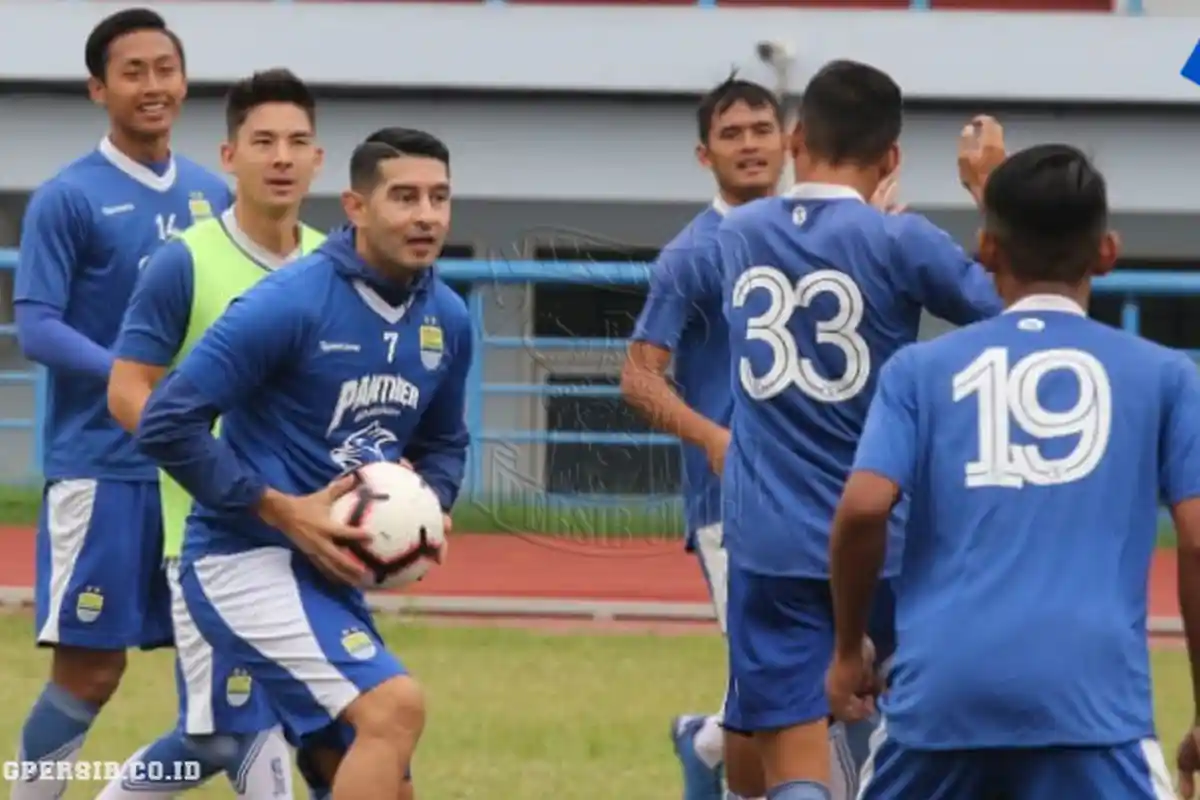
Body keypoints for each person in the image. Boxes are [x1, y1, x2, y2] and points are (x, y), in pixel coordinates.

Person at [826, 144, 1190, 799]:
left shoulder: (919, 371)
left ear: (986, 251)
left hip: (939, 698)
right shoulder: (1165, 376)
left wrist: (849, 647)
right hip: (1092, 706)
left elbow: (862, 508)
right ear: (1107, 252)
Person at [132, 127, 470, 800]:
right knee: (393, 710)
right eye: (404, 197)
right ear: (356, 206)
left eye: (439, 197)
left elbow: (445, 442)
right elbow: (167, 422)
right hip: (242, 560)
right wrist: (281, 509)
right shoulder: (288, 302)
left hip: (326, 572)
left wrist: (425, 510)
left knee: (371, 770)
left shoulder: (449, 317)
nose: (426, 214)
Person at [717, 59, 1007, 800]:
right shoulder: (900, 240)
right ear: (893, 158)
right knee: (919, 739)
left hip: (769, 540)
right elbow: (1015, 308)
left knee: (793, 761)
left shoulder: (736, 234)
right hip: (887, 538)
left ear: (795, 138)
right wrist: (986, 192)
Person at [621, 74, 896, 800]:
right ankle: (722, 754)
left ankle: (705, 745)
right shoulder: (695, 251)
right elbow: (639, 376)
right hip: (736, 505)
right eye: (731, 134)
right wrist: (713, 439)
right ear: (703, 154)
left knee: (823, 680)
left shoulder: (831, 230)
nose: (750, 146)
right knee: (787, 692)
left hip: (832, 499)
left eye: (762, 130)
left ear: (791, 142)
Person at [10, 9, 232, 799]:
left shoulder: (218, 196)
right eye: (133, 71)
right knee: (92, 672)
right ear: (98, 88)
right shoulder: (66, 198)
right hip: (103, 471)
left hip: (202, 477)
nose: (153, 85)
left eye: (165, 68)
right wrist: (137, 385)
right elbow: (36, 325)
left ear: (183, 78)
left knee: (228, 689)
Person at [100, 68, 327, 800]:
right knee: (239, 732)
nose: (282, 157)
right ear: (229, 156)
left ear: (319, 159)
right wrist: (215, 469)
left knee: (235, 733)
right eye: (263, 141)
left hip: (312, 539)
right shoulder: (186, 261)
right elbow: (127, 389)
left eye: (297, 141)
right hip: (210, 538)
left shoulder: (336, 263)